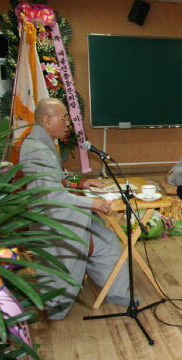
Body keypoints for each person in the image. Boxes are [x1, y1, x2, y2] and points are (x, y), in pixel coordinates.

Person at [20, 98, 132, 319]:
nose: (67, 124)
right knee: (105, 242)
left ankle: (115, 292)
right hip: (52, 223)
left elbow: (54, 181)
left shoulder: (41, 141)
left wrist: (80, 184)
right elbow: (52, 194)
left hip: (58, 213)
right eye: (64, 119)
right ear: (47, 120)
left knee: (107, 239)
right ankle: (64, 302)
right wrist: (93, 203)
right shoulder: (37, 149)